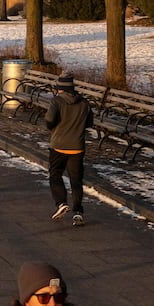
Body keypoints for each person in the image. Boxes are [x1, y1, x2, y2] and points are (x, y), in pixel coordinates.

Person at [44, 72, 91, 225]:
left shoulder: (56, 102)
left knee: (55, 175)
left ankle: (61, 203)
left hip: (58, 145)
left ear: (62, 89)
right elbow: (89, 122)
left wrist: (55, 126)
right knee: (76, 180)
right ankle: (78, 212)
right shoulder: (84, 103)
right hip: (77, 147)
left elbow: (49, 120)